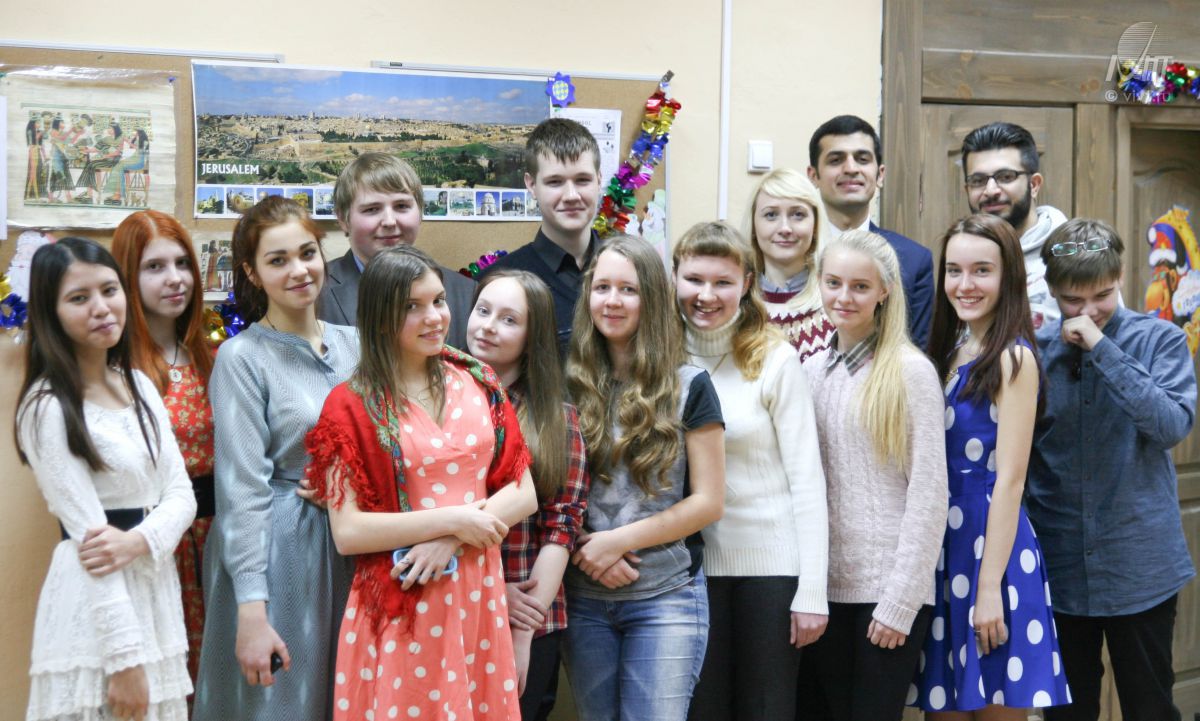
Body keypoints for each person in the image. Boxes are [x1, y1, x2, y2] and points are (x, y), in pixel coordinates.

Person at [304, 245, 538, 720]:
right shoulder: (349, 404)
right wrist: (451, 521)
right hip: (404, 597)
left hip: (478, 594)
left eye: (438, 301)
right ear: (380, 317)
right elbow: (348, 532)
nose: (434, 317)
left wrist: (451, 538)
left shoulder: (479, 379)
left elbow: (524, 492)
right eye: (412, 306)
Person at [15, 237, 197, 721]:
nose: (101, 308)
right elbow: (92, 545)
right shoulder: (47, 407)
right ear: (51, 313)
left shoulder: (140, 385)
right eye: (79, 298)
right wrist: (124, 662)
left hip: (153, 587)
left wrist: (138, 541)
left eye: (109, 290)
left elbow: (181, 495)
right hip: (96, 608)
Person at [193, 196, 359, 721]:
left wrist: (350, 487)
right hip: (278, 553)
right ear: (252, 272)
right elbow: (241, 489)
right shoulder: (242, 358)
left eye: (307, 253)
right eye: (278, 260)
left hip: (356, 544)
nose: (299, 270)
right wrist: (250, 608)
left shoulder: (358, 346)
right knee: (282, 702)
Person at [1028, 219, 1196, 721]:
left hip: (1140, 567)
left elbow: (1169, 426)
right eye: (1072, 300)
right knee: (1066, 714)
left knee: (1150, 708)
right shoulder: (1034, 351)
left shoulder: (1161, 339)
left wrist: (1102, 348)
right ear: (1051, 290)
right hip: (1058, 568)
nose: (1087, 312)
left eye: (1101, 296)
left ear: (1120, 276)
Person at [562, 235, 726, 721]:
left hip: (666, 597)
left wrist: (615, 542)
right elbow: (544, 485)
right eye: (602, 288)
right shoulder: (563, 380)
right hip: (584, 597)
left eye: (628, 290)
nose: (612, 301)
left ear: (651, 299)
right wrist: (587, 548)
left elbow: (708, 501)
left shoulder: (690, 385)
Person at [670, 222, 827, 721]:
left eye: (723, 282)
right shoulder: (661, 357)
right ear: (674, 278)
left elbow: (807, 480)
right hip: (690, 572)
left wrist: (812, 591)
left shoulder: (775, 358)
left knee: (766, 709)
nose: (706, 295)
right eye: (694, 279)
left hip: (770, 571)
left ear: (747, 284)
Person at [916, 214, 1070, 717]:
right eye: (954, 270)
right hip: (943, 547)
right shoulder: (950, 352)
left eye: (981, 270)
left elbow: (1011, 480)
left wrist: (988, 589)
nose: (965, 284)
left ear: (1009, 278)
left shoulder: (1013, 358)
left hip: (992, 552)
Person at [797, 229, 947, 721]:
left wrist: (901, 600)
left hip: (885, 592)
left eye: (860, 286)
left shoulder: (910, 371)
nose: (844, 297)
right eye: (834, 283)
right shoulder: (811, 371)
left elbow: (929, 493)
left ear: (884, 291)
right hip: (823, 591)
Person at [466, 270, 590, 720]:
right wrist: (491, 590)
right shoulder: (437, 402)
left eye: (508, 319)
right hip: (454, 603)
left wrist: (522, 632)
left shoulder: (556, 418)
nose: (488, 327)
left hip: (529, 618)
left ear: (532, 336)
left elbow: (563, 525)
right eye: (483, 311)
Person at [112, 209, 219, 707]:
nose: (175, 279)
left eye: (182, 264)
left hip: (215, 541)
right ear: (127, 277)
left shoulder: (210, 356)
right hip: (151, 545)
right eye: (155, 267)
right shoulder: (114, 369)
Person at [318, 152, 475, 348]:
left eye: (401, 206)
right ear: (343, 219)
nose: (389, 221)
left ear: (420, 213)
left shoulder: (466, 294)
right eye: (372, 209)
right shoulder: (315, 294)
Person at [807, 114, 934, 347]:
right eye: (836, 160)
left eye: (862, 159)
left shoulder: (914, 260)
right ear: (814, 176)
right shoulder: (794, 253)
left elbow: (918, 351)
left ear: (880, 174)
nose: (851, 168)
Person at [483, 117, 603, 356]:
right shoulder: (499, 282)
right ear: (531, 185)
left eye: (582, 180)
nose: (571, 195)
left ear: (599, 180)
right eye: (555, 182)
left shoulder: (629, 275)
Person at [960, 122, 1067, 330]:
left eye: (1006, 177)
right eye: (978, 180)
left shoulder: (1075, 253)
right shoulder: (962, 259)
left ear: (1034, 185)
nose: (991, 190)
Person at [745, 168, 835, 361]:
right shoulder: (734, 306)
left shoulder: (838, 305)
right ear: (753, 226)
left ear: (815, 226)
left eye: (798, 215)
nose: (785, 228)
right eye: (771, 215)